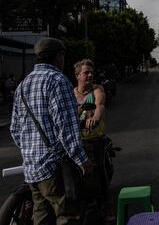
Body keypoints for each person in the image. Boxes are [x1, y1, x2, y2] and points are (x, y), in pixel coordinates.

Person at [10, 37, 93, 225]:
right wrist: (82, 159)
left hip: (31, 169)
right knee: (67, 216)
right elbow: (67, 128)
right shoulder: (57, 80)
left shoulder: (22, 85)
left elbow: (15, 129)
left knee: (42, 216)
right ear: (59, 57)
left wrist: (30, 151)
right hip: (54, 168)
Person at [73, 59, 114, 221]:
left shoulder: (97, 89)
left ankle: (106, 203)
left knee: (99, 168)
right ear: (77, 75)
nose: (90, 75)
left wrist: (95, 117)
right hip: (76, 140)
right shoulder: (71, 93)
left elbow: (100, 105)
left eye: (91, 72)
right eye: (86, 72)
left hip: (95, 138)